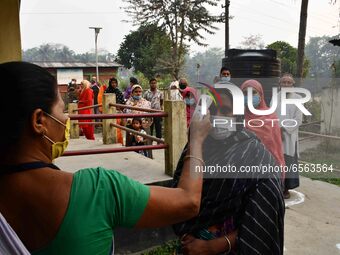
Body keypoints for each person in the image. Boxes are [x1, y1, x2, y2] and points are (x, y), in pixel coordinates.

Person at [0, 61, 211, 255]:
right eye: (62, 110)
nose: (67, 119)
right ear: (39, 121)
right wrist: (197, 140)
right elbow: (188, 201)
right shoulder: (96, 191)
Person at [172, 87, 285, 255]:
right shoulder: (197, 144)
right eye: (212, 110)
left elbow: (264, 217)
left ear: (238, 115)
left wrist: (212, 246)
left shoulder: (255, 154)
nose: (218, 116)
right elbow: (179, 195)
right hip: (189, 246)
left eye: (225, 110)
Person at [240, 79, 286, 167]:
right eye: (245, 93)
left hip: (267, 168)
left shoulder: (271, 118)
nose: (249, 96)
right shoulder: (237, 117)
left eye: (253, 92)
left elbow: (277, 148)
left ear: (261, 95)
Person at [276, 73, 303, 199]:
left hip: (289, 136)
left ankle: (286, 188)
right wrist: (276, 129)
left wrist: (284, 129)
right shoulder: (276, 97)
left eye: (289, 82)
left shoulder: (298, 98)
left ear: (293, 84)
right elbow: (271, 115)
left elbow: (298, 119)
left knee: (288, 162)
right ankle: (277, 186)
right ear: (280, 84)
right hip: (276, 135)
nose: (286, 84)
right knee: (276, 161)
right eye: (284, 82)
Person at [126, 84, 153, 157]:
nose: (138, 93)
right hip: (133, 126)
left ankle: (148, 157)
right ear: (132, 93)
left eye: (140, 91)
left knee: (146, 141)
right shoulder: (128, 103)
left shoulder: (146, 103)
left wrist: (145, 123)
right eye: (136, 91)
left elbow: (149, 115)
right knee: (132, 142)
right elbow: (127, 115)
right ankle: (131, 157)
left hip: (144, 125)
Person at [105, 77, 126, 145]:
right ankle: (110, 141)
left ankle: (120, 142)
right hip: (108, 113)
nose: (114, 84)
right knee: (109, 127)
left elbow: (122, 102)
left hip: (117, 112)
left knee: (118, 128)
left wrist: (119, 107)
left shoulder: (119, 92)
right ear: (110, 83)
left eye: (115, 83)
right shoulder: (106, 91)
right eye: (112, 83)